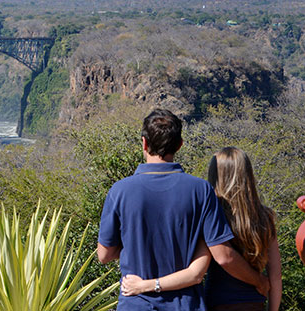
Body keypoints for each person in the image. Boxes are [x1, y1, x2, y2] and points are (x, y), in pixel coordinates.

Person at [97, 109, 269, 310]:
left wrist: (136, 246)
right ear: (179, 145)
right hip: (185, 304)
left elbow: (104, 255)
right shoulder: (201, 190)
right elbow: (223, 255)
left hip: (136, 303)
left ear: (144, 143)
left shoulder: (120, 191)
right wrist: (259, 281)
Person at [121, 148, 282, 311]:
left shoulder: (211, 214)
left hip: (219, 303)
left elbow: (201, 270)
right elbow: (275, 276)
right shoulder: (265, 217)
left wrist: (145, 285)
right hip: (255, 304)